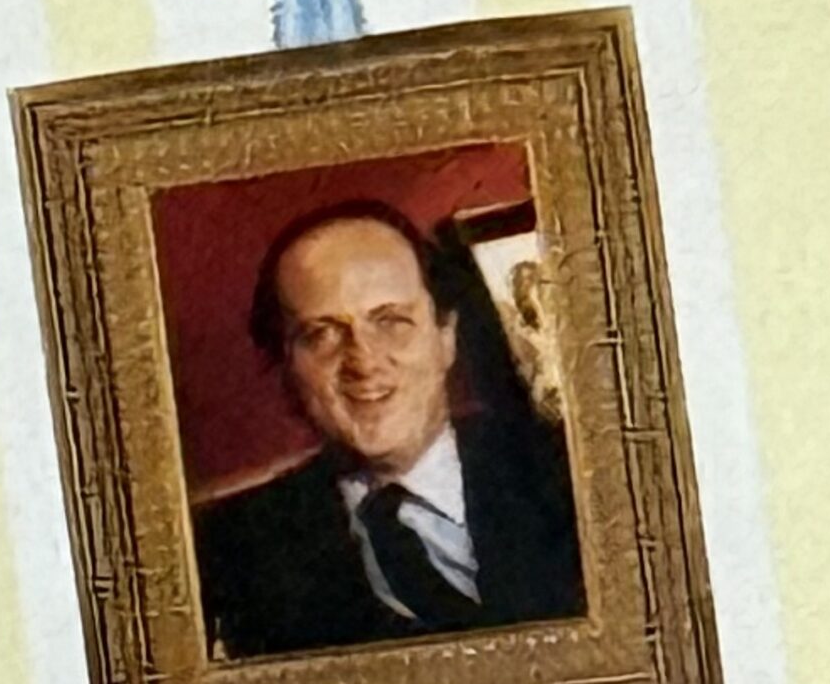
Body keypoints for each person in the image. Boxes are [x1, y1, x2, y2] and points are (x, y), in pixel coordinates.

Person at [192, 199, 586, 660]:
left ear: (445, 338)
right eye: (321, 333)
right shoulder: (230, 549)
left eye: (391, 321)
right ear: (285, 366)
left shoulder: (573, 471)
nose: (363, 361)